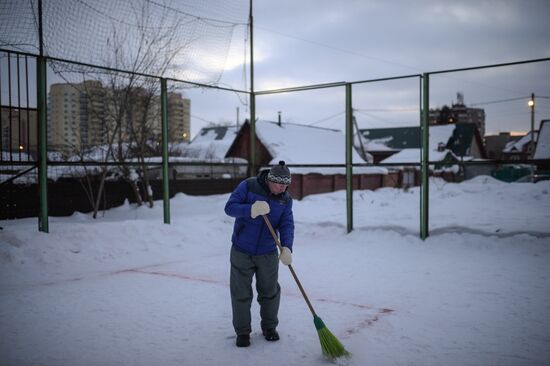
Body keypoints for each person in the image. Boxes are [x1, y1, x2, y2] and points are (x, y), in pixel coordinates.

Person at [224, 160, 294, 348]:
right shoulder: (248, 186)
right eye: (279, 183)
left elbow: (287, 224)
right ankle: (243, 332)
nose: (283, 187)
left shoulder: (285, 199)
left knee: (270, 292)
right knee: (240, 293)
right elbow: (230, 207)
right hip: (241, 249)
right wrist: (251, 210)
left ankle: (269, 327)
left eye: (286, 184)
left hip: (267, 252)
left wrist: (287, 247)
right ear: (270, 180)